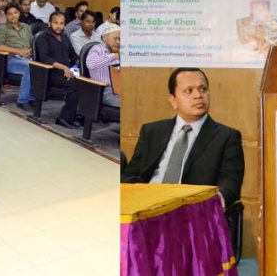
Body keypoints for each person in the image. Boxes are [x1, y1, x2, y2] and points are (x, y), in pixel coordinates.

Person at [121, 68, 245, 206]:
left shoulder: (227, 137)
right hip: (146, 208)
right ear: (173, 100)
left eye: (203, 89)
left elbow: (230, 185)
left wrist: (212, 204)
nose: (198, 95)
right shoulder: (152, 131)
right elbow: (130, 176)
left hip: (191, 211)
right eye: (189, 91)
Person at [34, 11, 82, 129]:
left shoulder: (65, 37)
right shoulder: (43, 37)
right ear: (50, 23)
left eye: (61, 23)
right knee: (75, 85)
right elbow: (45, 58)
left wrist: (82, 63)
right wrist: (64, 67)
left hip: (66, 71)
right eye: (56, 23)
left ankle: (77, 116)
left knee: (87, 83)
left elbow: (74, 56)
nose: (59, 26)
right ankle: (63, 118)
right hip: (49, 73)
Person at [0, 3, 36, 110]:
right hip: (10, 59)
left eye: (15, 13)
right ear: (6, 16)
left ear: (19, 13)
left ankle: (33, 98)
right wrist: (19, 51)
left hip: (27, 57)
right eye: (9, 14)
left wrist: (30, 51)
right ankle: (23, 100)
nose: (13, 16)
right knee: (29, 67)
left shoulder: (26, 27)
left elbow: (32, 43)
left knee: (38, 66)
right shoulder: (2, 29)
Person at [85, 24, 121, 107]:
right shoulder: (97, 49)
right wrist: (113, 56)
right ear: (105, 38)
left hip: (120, 87)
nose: (118, 42)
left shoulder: (118, 50)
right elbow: (90, 64)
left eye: (120, 39)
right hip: (103, 90)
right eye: (115, 38)